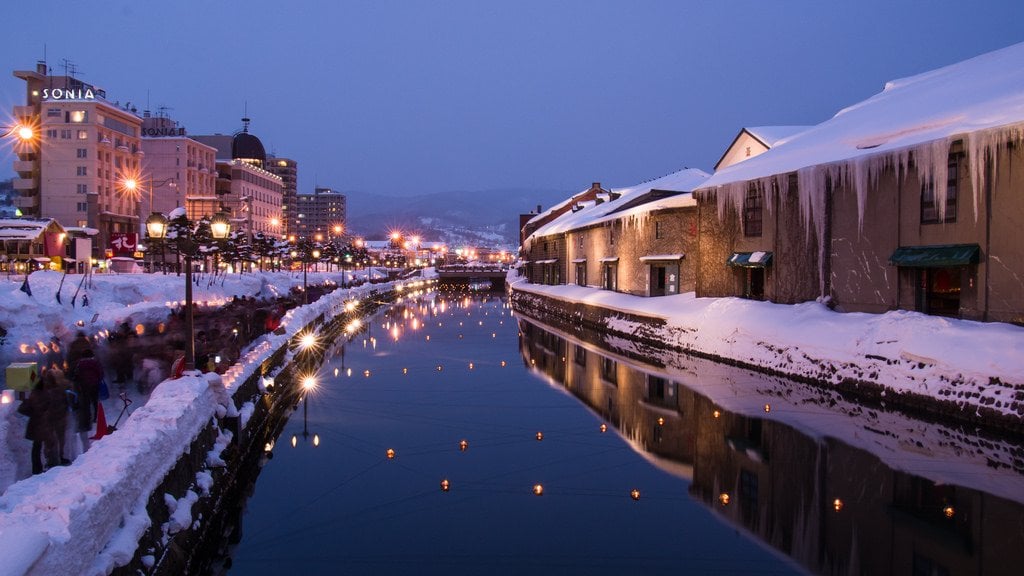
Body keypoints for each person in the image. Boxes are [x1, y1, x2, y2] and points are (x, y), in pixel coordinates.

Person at [72, 348, 105, 423]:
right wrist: (99, 379)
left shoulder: (80, 364)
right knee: (95, 400)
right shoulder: (95, 362)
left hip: (84, 385)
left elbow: (76, 374)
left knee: (86, 401)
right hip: (94, 384)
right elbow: (100, 372)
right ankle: (96, 417)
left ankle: (88, 417)